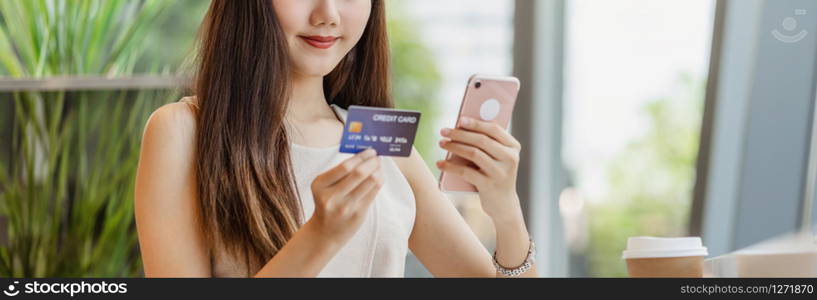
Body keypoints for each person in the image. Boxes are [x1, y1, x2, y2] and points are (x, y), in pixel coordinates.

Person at [135, 0, 534, 278]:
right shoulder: (182, 131)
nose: (327, 15)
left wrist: (506, 213)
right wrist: (319, 237)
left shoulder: (381, 137)